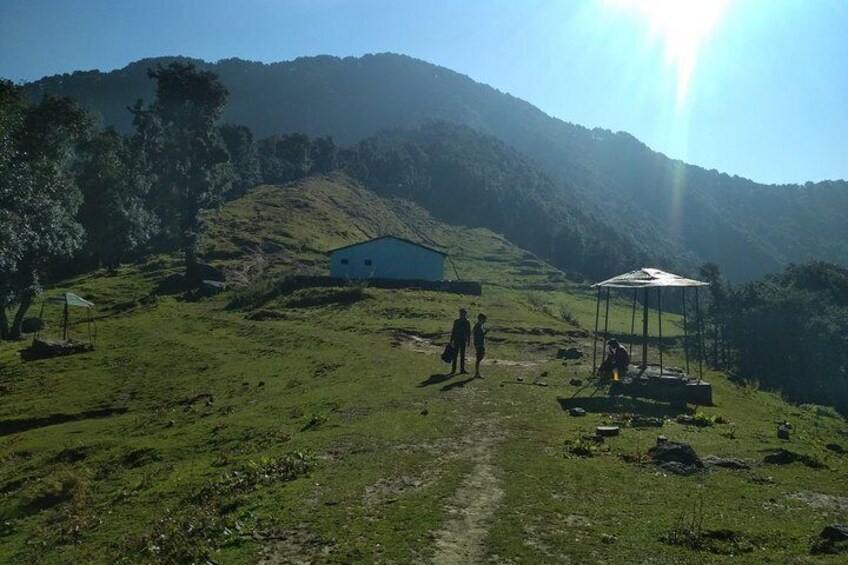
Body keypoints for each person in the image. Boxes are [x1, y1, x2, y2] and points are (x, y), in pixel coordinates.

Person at [450, 308, 471, 374]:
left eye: (463, 313)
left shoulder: (466, 322)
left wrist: (468, 340)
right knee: (455, 355)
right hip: (457, 339)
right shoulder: (457, 321)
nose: (462, 315)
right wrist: (451, 340)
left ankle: (461, 369)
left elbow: (468, 332)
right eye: (461, 313)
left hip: (462, 340)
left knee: (462, 355)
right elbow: (453, 331)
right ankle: (454, 370)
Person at [473, 313, 488, 378]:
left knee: (479, 357)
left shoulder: (480, 325)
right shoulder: (478, 326)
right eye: (484, 319)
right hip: (479, 344)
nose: (485, 321)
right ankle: (477, 373)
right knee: (479, 358)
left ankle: (477, 373)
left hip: (479, 343)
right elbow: (477, 335)